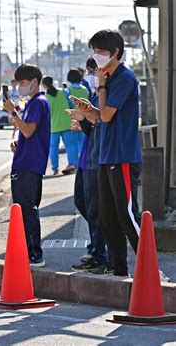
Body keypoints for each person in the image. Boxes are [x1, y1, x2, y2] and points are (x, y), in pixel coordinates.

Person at [77, 29, 169, 282]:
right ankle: (120, 269)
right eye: (94, 50)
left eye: (101, 51)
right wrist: (88, 111)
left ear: (115, 52)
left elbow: (106, 115)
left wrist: (102, 86)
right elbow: (100, 116)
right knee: (109, 216)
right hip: (106, 156)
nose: (96, 56)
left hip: (123, 156)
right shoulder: (108, 77)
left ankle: (152, 271)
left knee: (127, 215)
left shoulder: (123, 78)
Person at [5, 64, 50, 267]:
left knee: (27, 208)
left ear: (34, 82)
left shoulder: (38, 102)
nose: (20, 87)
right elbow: (28, 134)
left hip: (29, 164)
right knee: (23, 208)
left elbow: (29, 130)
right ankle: (27, 251)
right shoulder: (35, 102)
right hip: (28, 161)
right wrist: (19, 144)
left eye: (23, 83)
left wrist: (12, 113)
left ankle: (34, 253)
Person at [67, 95, 111, 274]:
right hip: (86, 159)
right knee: (81, 202)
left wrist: (87, 118)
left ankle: (99, 254)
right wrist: (83, 121)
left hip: (97, 161)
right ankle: (98, 247)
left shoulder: (112, 94)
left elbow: (104, 125)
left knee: (96, 211)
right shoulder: (96, 95)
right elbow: (92, 127)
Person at [41, 76, 78, 176]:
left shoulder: (45, 97)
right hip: (67, 123)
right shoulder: (63, 92)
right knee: (70, 146)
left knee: (53, 148)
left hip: (53, 126)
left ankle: (55, 168)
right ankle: (73, 165)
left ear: (44, 85)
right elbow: (71, 104)